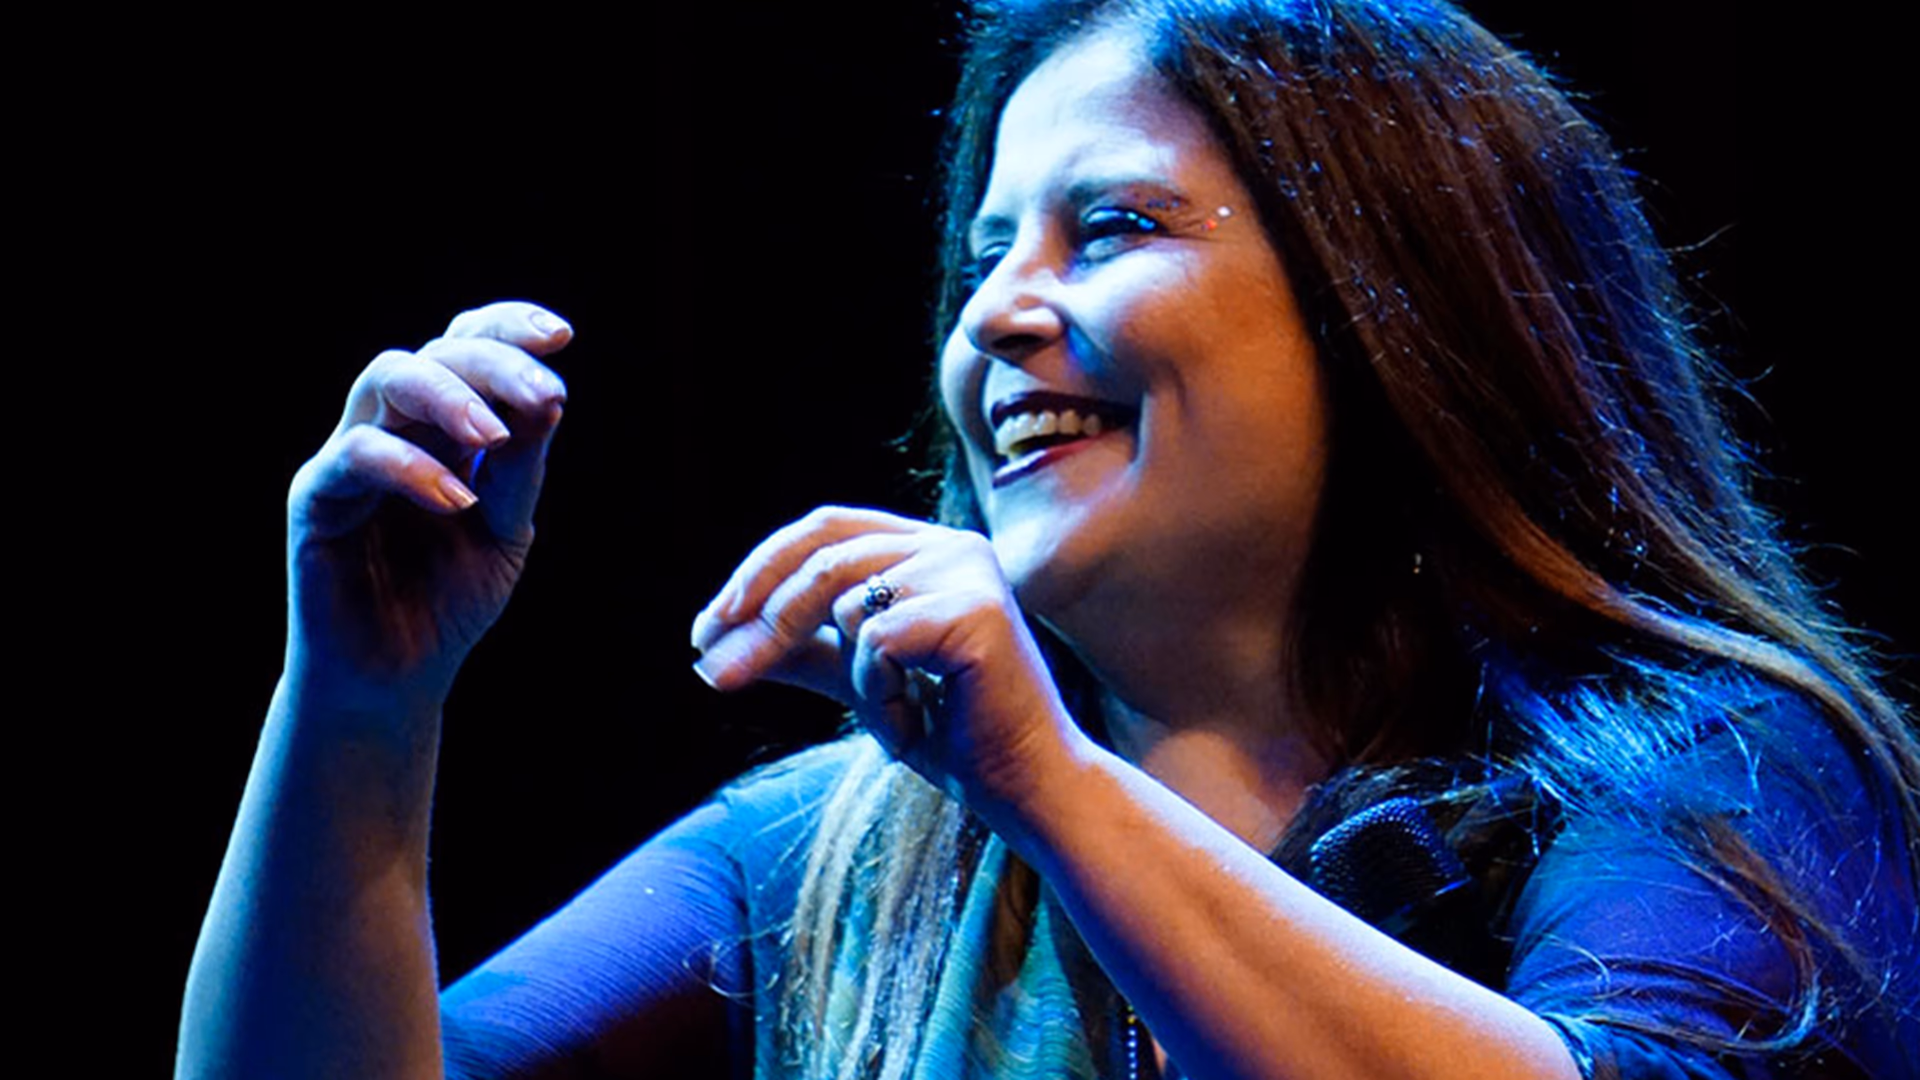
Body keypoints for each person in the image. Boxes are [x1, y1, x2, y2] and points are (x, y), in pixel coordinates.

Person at [178, 1, 1918, 1078]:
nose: (994, 315)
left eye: (1114, 229)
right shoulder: (848, 851)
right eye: (986, 254)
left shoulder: (1697, 761)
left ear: (1391, 306)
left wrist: (1048, 780)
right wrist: (358, 707)